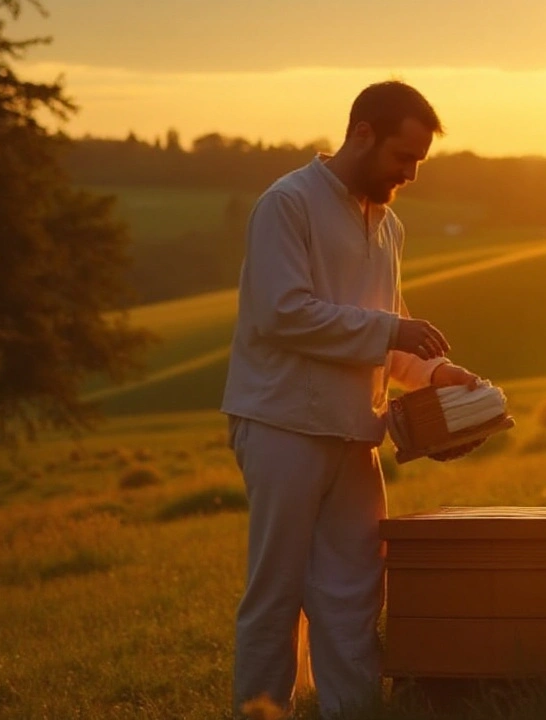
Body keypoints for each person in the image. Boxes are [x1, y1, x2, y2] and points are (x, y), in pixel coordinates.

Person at [221, 80, 481, 718]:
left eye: (420, 160)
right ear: (361, 132)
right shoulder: (286, 204)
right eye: (404, 156)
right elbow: (282, 314)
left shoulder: (388, 225)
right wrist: (393, 331)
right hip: (281, 425)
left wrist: (437, 375)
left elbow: (386, 335)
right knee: (276, 595)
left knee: (355, 596)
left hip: (356, 435)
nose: (411, 173)